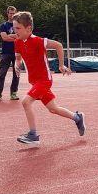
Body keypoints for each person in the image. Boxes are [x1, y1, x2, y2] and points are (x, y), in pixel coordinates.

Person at [12, 11, 85, 145]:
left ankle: (33, 135)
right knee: (53, 109)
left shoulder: (38, 41)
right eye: (14, 27)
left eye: (18, 28)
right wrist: (17, 65)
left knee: (25, 102)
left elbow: (58, 45)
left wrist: (61, 65)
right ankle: (77, 117)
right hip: (34, 82)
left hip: (44, 80)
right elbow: (18, 58)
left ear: (28, 28)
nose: (15, 31)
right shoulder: (17, 42)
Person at [0, 6, 20, 101]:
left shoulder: (19, 25)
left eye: (13, 13)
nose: (12, 15)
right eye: (10, 13)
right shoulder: (3, 26)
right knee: (2, 73)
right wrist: (15, 36)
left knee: (16, 74)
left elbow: (21, 36)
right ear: (7, 14)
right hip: (6, 53)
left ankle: (13, 93)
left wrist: (10, 36)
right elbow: (4, 38)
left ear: (16, 14)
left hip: (18, 53)